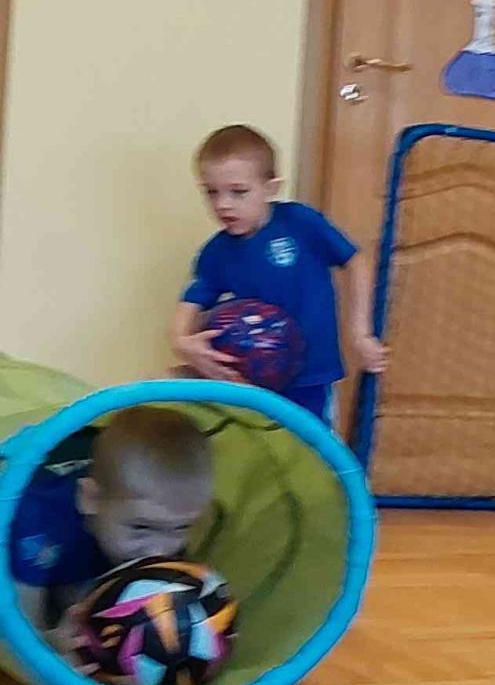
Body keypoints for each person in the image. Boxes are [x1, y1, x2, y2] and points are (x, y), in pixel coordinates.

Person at [171, 126, 385, 421]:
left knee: (311, 444)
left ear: (271, 188)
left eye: (238, 192)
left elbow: (356, 262)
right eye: (211, 192)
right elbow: (189, 305)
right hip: (252, 384)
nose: (223, 204)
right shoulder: (215, 253)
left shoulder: (300, 222)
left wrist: (360, 333)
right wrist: (181, 342)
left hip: (310, 378)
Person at [9, 404, 214, 647]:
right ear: (90, 499)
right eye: (141, 528)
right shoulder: (34, 523)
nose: (159, 551)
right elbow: (19, 636)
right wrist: (54, 643)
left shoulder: (154, 514)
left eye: (182, 528)